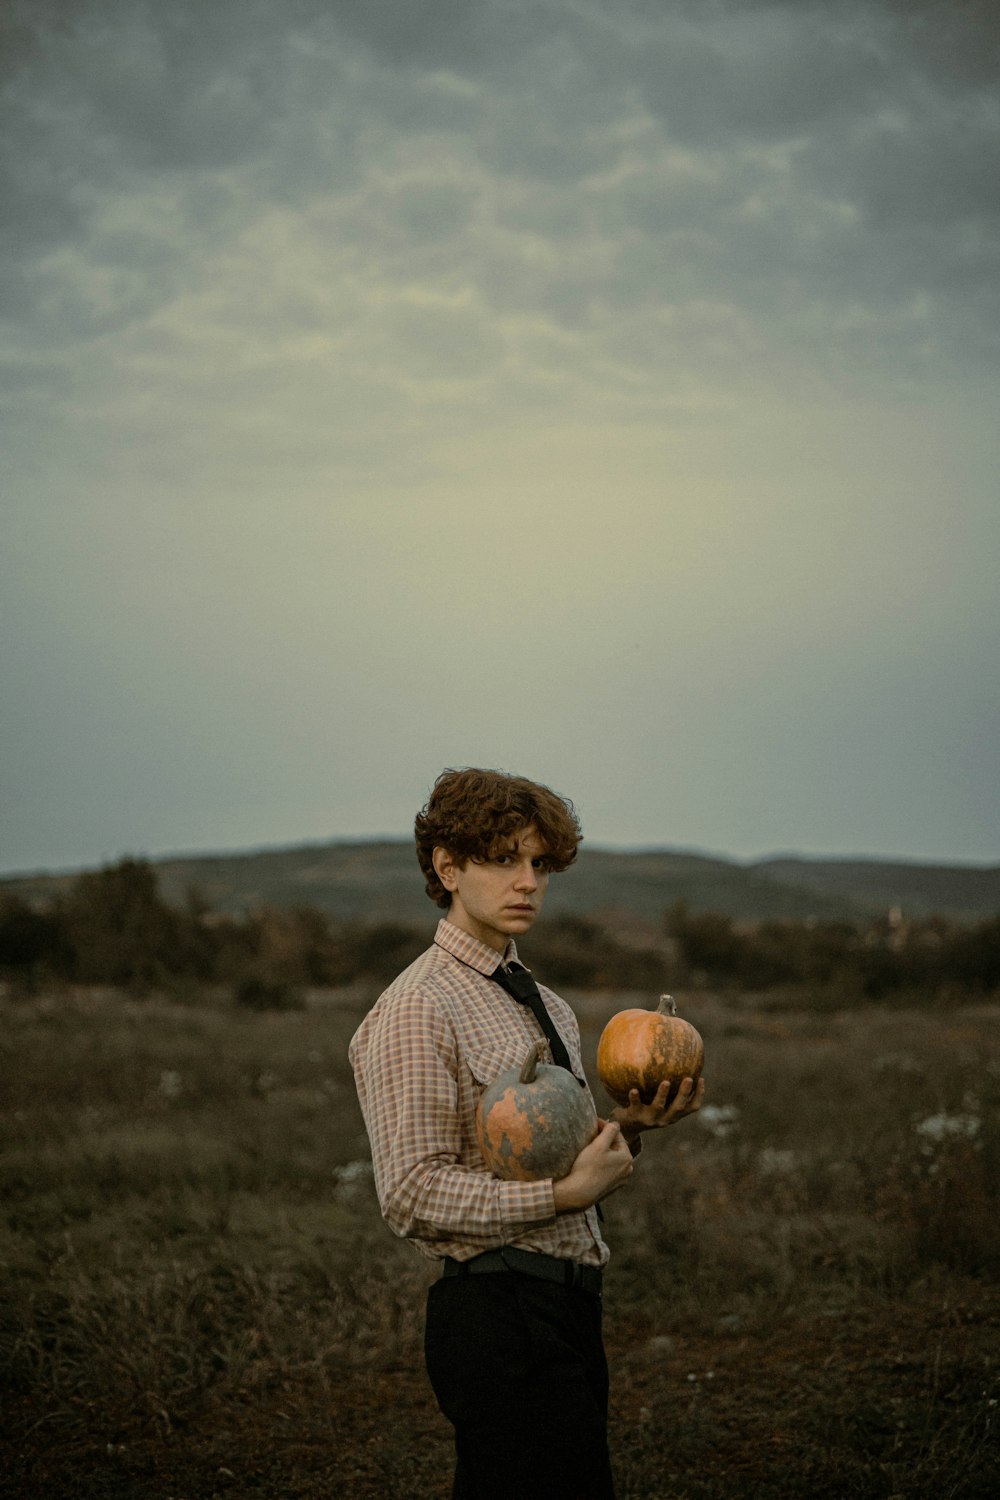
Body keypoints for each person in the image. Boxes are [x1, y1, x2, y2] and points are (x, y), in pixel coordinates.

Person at [349, 768, 705, 1499]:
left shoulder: (546, 1005)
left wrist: (630, 1130)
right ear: (448, 868)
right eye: (504, 859)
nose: (528, 882)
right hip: (496, 1317)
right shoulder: (418, 1008)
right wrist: (561, 1194)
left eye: (540, 864)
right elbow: (411, 1193)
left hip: (569, 1307)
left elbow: (546, 1153)